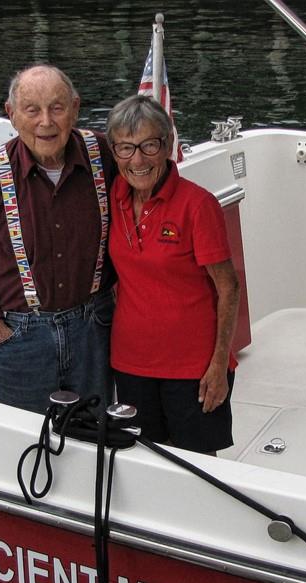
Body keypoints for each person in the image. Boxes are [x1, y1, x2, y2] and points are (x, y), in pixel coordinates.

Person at [0, 65, 116, 414]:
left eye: (56, 108)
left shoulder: (103, 155)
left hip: (93, 329)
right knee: (28, 446)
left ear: (75, 108)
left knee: (95, 436)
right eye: (32, 110)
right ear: (11, 115)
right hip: (22, 337)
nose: (46, 122)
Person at [106, 94, 240, 455]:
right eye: (126, 148)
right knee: (146, 459)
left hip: (193, 367)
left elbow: (229, 288)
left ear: (167, 145)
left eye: (149, 145)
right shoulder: (112, 200)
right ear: (114, 152)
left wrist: (218, 365)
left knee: (199, 467)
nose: (138, 159)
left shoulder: (198, 205)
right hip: (131, 362)